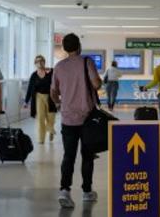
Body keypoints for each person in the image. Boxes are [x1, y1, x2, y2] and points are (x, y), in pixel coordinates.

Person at [51, 33, 102, 208]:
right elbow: (96, 84)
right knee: (87, 156)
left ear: (64, 48)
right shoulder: (86, 62)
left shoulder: (59, 67)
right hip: (87, 119)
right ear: (79, 46)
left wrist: (60, 103)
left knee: (68, 155)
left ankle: (64, 190)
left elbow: (53, 91)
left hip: (67, 119)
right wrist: (97, 81)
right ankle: (87, 192)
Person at [24, 55, 57, 144]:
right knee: (40, 118)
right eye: (38, 61)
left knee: (51, 117)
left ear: (44, 62)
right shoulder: (34, 75)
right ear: (35, 63)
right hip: (38, 97)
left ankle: (50, 129)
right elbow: (30, 88)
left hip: (50, 97)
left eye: (41, 61)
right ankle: (41, 139)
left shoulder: (51, 72)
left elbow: (57, 83)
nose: (40, 63)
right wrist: (26, 101)